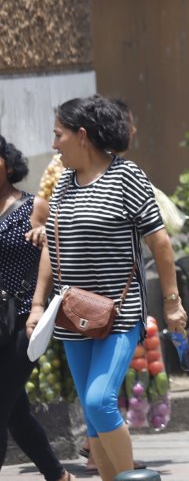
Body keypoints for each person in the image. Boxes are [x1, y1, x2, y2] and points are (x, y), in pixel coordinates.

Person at [24, 96, 187, 481]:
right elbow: (53, 243)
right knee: (93, 416)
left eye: (58, 135)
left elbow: (160, 243)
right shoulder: (63, 183)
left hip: (119, 313)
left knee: (99, 402)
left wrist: (172, 303)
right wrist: (36, 305)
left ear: (82, 136)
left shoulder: (127, 177)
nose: (53, 144)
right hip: (71, 314)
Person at [1, 137, 71, 481]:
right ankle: (59, 477)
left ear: (8, 166)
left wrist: (45, 237)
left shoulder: (32, 208)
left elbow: (58, 245)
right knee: (15, 412)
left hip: (21, 320)